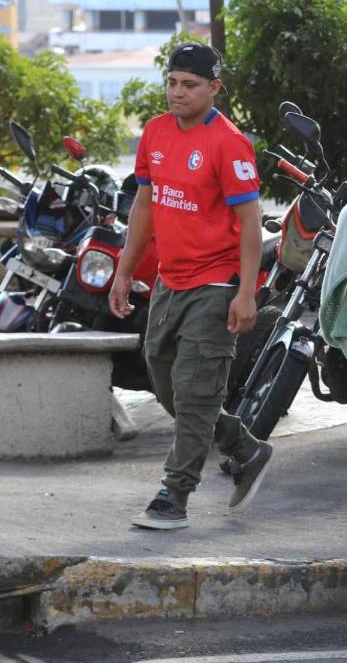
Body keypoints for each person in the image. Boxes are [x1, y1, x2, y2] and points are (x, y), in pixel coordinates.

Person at [110, 42, 271, 530]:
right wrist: (124, 271)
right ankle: (244, 447)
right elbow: (144, 205)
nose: (177, 93)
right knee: (166, 383)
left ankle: (173, 496)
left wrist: (245, 291)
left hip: (217, 282)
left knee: (196, 390)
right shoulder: (156, 132)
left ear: (213, 88)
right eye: (172, 82)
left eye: (190, 85)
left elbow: (250, 221)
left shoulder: (227, 141)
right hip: (169, 280)